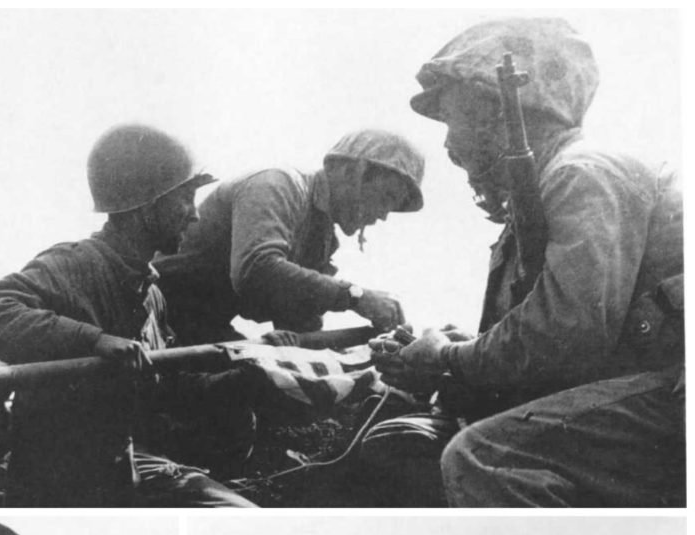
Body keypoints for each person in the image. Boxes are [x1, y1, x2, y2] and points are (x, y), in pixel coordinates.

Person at [371, 17, 684, 507]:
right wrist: (446, 357)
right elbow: (536, 342)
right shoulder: (538, 203)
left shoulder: (582, 174)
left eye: (453, 117)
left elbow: (567, 334)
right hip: (659, 394)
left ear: (497, 108)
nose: (449, 143)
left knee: (486, 458)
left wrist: (444, 357)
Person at [0, 123, 256, 508]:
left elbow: (160, 390)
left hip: (123, 466)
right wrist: (94, 340)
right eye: (185, 199)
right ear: (148, 205)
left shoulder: (151, 293)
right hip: (62, 480)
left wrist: (241, 378)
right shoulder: (76, 263)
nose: (194, 216)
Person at [156, 130, 424, 347]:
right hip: (149, 321)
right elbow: (255, 270)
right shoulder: (277, 184)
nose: (384, 214)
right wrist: (357, 298)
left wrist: (370, 347)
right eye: (387, 196)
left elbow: (299, 322)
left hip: (198, 330)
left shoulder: (322, 237)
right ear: (353, 172)